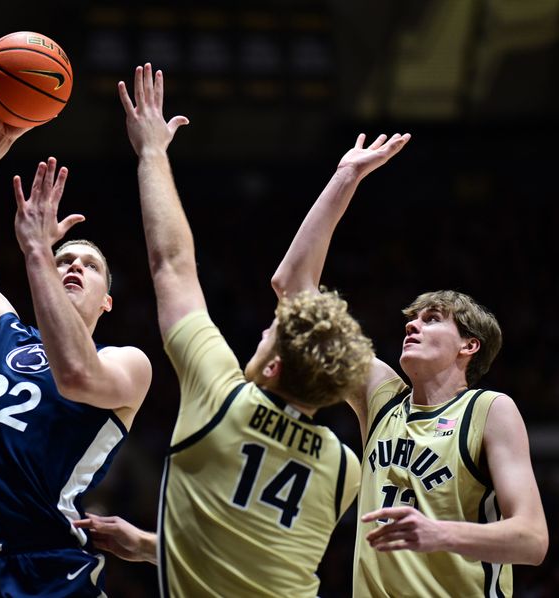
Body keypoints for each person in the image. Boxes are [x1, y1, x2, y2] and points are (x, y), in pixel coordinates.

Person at [74, 63, 375, 597]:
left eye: (269, 334)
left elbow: (172, 263)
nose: (260, 333)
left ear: (276, 364)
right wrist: (147, 546)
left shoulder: (221, 397)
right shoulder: (344, 468)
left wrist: (151, 152)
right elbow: (245, 551)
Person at [271, 133, 549, 596]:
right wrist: (346, 177)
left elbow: (532, 539)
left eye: (433, 319)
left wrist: (439, 534)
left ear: (469, 346)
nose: (412, 326)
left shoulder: (489, 410)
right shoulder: (380, 396)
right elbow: (292, 286)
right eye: (411, 319)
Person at [0, 113, 152, 597]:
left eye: (89, 265)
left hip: (47, 568)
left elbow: (74, 374)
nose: (73, 265)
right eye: (64, 259)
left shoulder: (125, 363)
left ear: (107, 301)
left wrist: (38, 252)